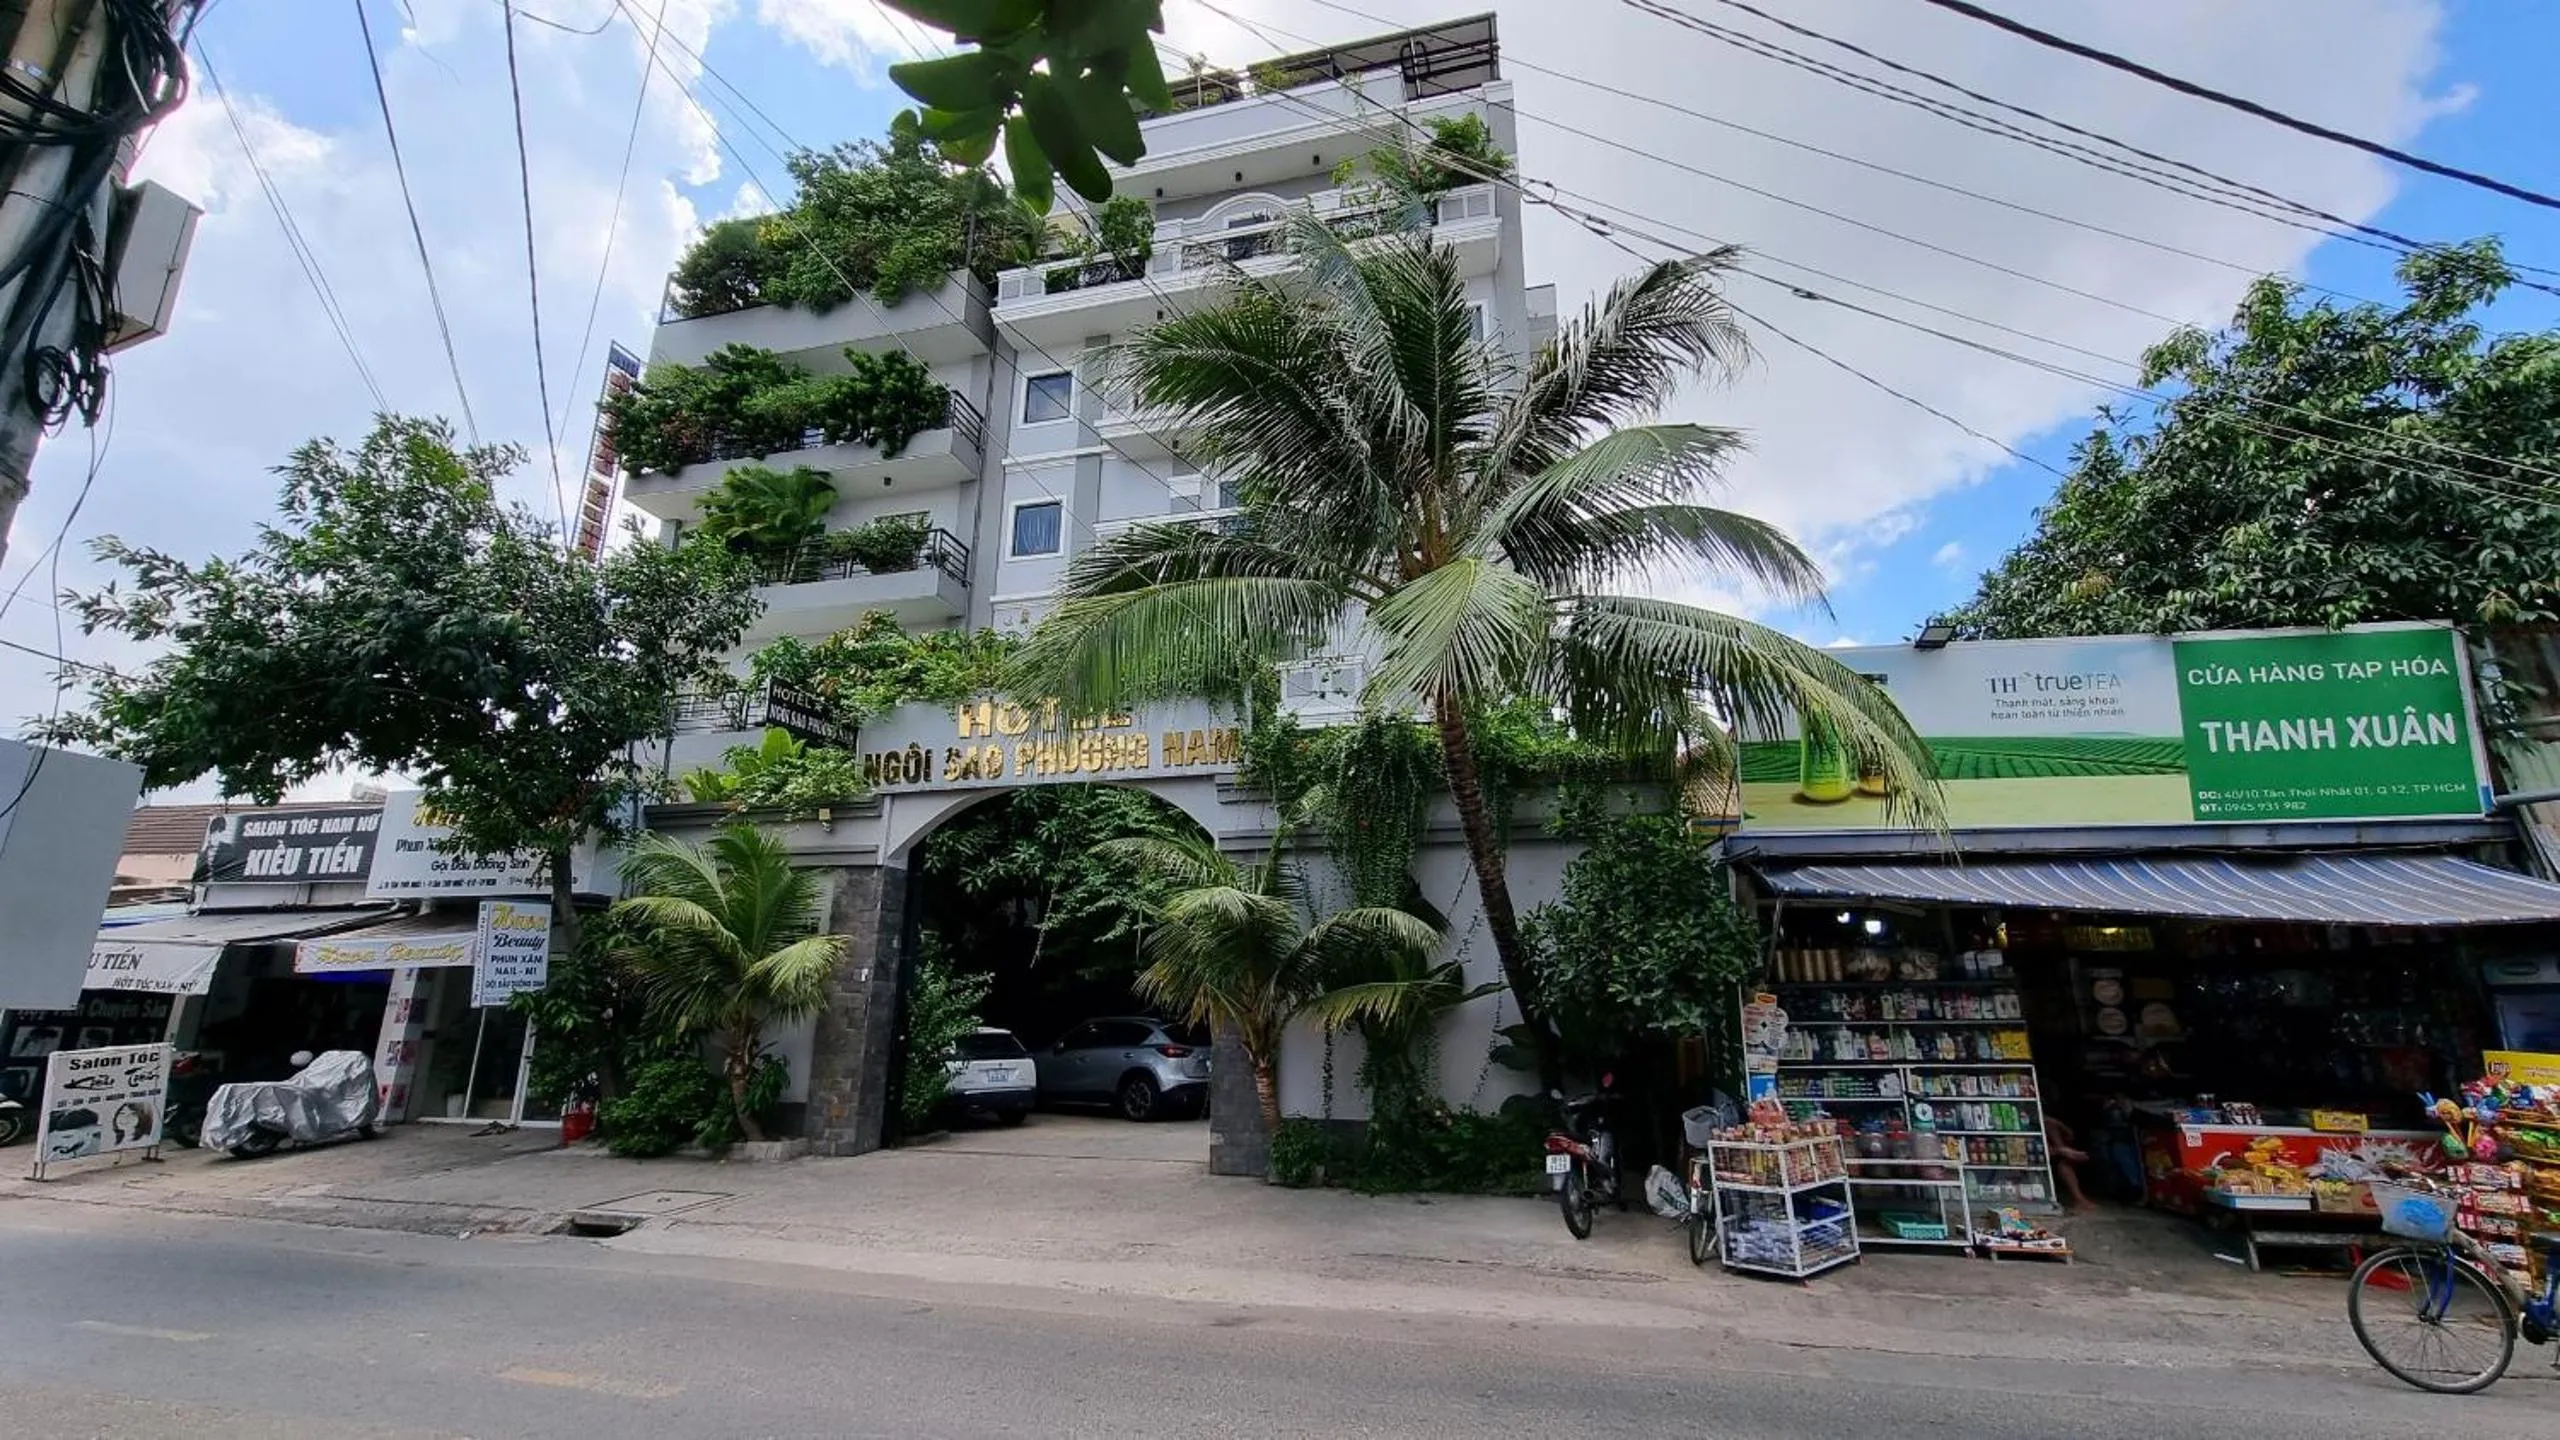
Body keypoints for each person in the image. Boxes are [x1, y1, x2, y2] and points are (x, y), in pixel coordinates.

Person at [2045, 1112, 2095, 1211]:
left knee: (2064, 1163)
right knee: (2049, 1124)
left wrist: (2060, 1125)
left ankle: (2062, 1150)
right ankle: (2062, 1150)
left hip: (2051, 1148)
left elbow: (2069, 1133)